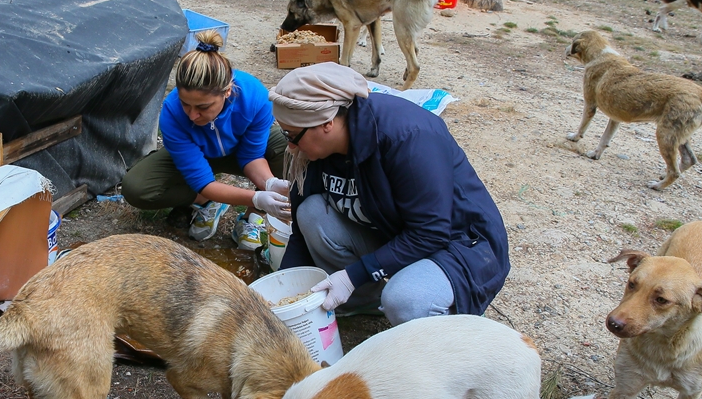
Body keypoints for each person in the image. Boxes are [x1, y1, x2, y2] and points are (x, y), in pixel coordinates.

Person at [269, 62, 509, 325]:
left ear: (325, 122)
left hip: (460, 245)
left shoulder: (408, 136)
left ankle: (452, 315)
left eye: (291, 135)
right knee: (312, 212)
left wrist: (352, 275)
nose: (290, 146)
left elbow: (431, 231)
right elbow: (302, 234)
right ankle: (366, 301)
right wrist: (283, 292)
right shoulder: (316, 148)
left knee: (405, 300)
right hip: (397, 232)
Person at [120, 30, 292, 247]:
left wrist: (269, 184)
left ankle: (252, 217)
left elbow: (252, 155)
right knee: (137, 187)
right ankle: (208, 201)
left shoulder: (255, 97)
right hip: (198, 153)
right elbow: (200, 180)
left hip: (239, 151)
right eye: (186, 104)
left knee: (290, 148)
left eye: (203, 107)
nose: (192, 115)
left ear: (227, 91)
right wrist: (254, 196)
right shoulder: (172, 113)